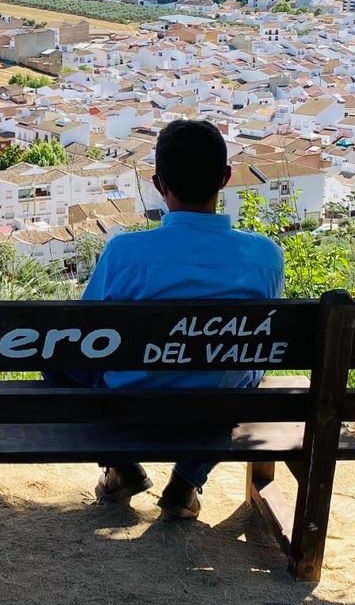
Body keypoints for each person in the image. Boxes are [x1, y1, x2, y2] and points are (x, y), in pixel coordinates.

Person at [80, 118, 285, 520]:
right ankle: (186, 481)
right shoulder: (265, 256)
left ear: (159, 184)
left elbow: (83, 331)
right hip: (216, 405)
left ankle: (122, 467)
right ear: (225, 178)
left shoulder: (124, 253)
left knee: (62, 365)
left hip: (132, 404)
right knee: (239, 372)